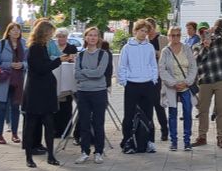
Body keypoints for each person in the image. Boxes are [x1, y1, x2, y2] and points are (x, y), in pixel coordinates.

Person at [22, 19, 62, 167]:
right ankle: (28, 157)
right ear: (44, 32)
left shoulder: (43, 46)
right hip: (35, 92)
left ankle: (51, 155)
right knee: (31, 125)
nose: (51, 36)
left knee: (49, 124)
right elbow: (41, 68)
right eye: (50, 33)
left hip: (45, 92)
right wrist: (58, 60)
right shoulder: (35, 47)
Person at [118, 19, 158, 154]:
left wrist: (153, 79)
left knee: (148, 114)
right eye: (141, 31)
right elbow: (122, 66)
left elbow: (153, 64)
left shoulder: (150, 47)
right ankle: (128, 141)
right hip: (132, 84)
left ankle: (148, 142)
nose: (144, 34)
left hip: (147, 84)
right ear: (135, 31)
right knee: (129, 115)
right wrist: (124, 81)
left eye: (146, 32)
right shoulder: (127, 47)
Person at [191, 18, 222, 148]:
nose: (204, 34)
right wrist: (206, 47)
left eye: (206, 31)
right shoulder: (196, 46)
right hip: (205, 81)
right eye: (201, 32)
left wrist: (216, 29)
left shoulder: (220, 40)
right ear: (198, 33)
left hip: (221, 79)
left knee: (221, 110)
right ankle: (202, 137)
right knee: (203, 110)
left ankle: (221, 138)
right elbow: (197, 61)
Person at [73, 27, 110, 163]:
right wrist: (91, 72)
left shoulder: (103, 55)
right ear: (85, 38)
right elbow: (76, 74)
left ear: (98, 38)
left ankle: (99, 151)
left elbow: (100, 73)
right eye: (90, 35)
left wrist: (85, 72)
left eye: (95, 35)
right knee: (84, 123)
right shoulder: (80, 55)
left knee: (98, 123)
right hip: (83, 92)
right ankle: (84, 151)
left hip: (99, 92)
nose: (92, 38)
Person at [159, 26, 198, 151]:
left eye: (178, 35)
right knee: (172, 114)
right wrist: (173, 83)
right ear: (168, 36)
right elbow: (162, 69)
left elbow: (193, 67)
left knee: (187, 113)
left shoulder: (186, 49)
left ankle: (187, 141)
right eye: (172, 35)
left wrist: (187, 82)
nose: (175, 37)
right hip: (172, 86)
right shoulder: (165, 51)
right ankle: (174, 141)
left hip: (186, 85)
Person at [0, 22, 26, 145]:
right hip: (4, 79)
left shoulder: (24, 44)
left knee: (16, 107)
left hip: (18, 80)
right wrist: (9, 65)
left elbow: (29, 61)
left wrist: (22, 65)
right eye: (13, 30)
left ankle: (15, 133)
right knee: (2, 107)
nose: (16, 32)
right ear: (8, 31)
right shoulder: (1, 44)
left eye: (18, 30)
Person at [145, 19, 170, 141]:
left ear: (154, 28)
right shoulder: (143, 40)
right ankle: (149, 131)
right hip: (146, 76)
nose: (148, 31)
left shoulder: (162, 39)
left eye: (150, 28)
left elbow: (166, 55)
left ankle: (164, 130)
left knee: (158, 104)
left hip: (159, 76)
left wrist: (154, 52)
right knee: (147, 105)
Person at [52, 28, 78, 137]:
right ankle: (54, 130)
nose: (61, 39)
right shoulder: (52, 47)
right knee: (54, 105)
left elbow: (74, 60)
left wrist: (68, 59)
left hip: (67, 78)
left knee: (67, 105)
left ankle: (66, 130)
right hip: (55, 77)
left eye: (63, 36)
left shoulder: (72, 47)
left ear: (67, 38)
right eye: (59, 36)